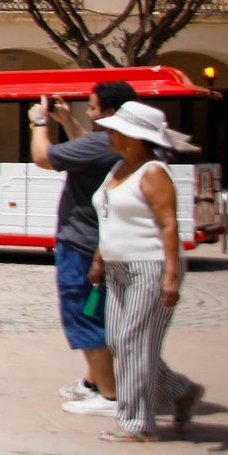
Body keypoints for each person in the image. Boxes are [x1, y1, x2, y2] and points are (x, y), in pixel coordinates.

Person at [86, 101, 204, 442]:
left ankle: (137, 424)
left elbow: (168, 225)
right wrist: (99, 258)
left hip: (149, 266)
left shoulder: (153, 172)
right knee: (117, 341)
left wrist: (169, 275)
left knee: (134, 342)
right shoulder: (119, 169)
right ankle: (181, 390)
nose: (107, 135)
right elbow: (109, 217)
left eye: (113, 130)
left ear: (132, 137)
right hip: (117, 265)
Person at [29, 81, 135, 418]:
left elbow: (43, 157)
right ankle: (94, 383)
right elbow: (85, 150)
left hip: (81, 244)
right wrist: (67, 122)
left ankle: (109, 394)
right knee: (98, 311)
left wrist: (39, 122)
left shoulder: (104, 144)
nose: (88, 113)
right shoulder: (124, 144)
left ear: (111, 112)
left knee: (84, 313)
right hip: (104, 241)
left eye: (91, 108)